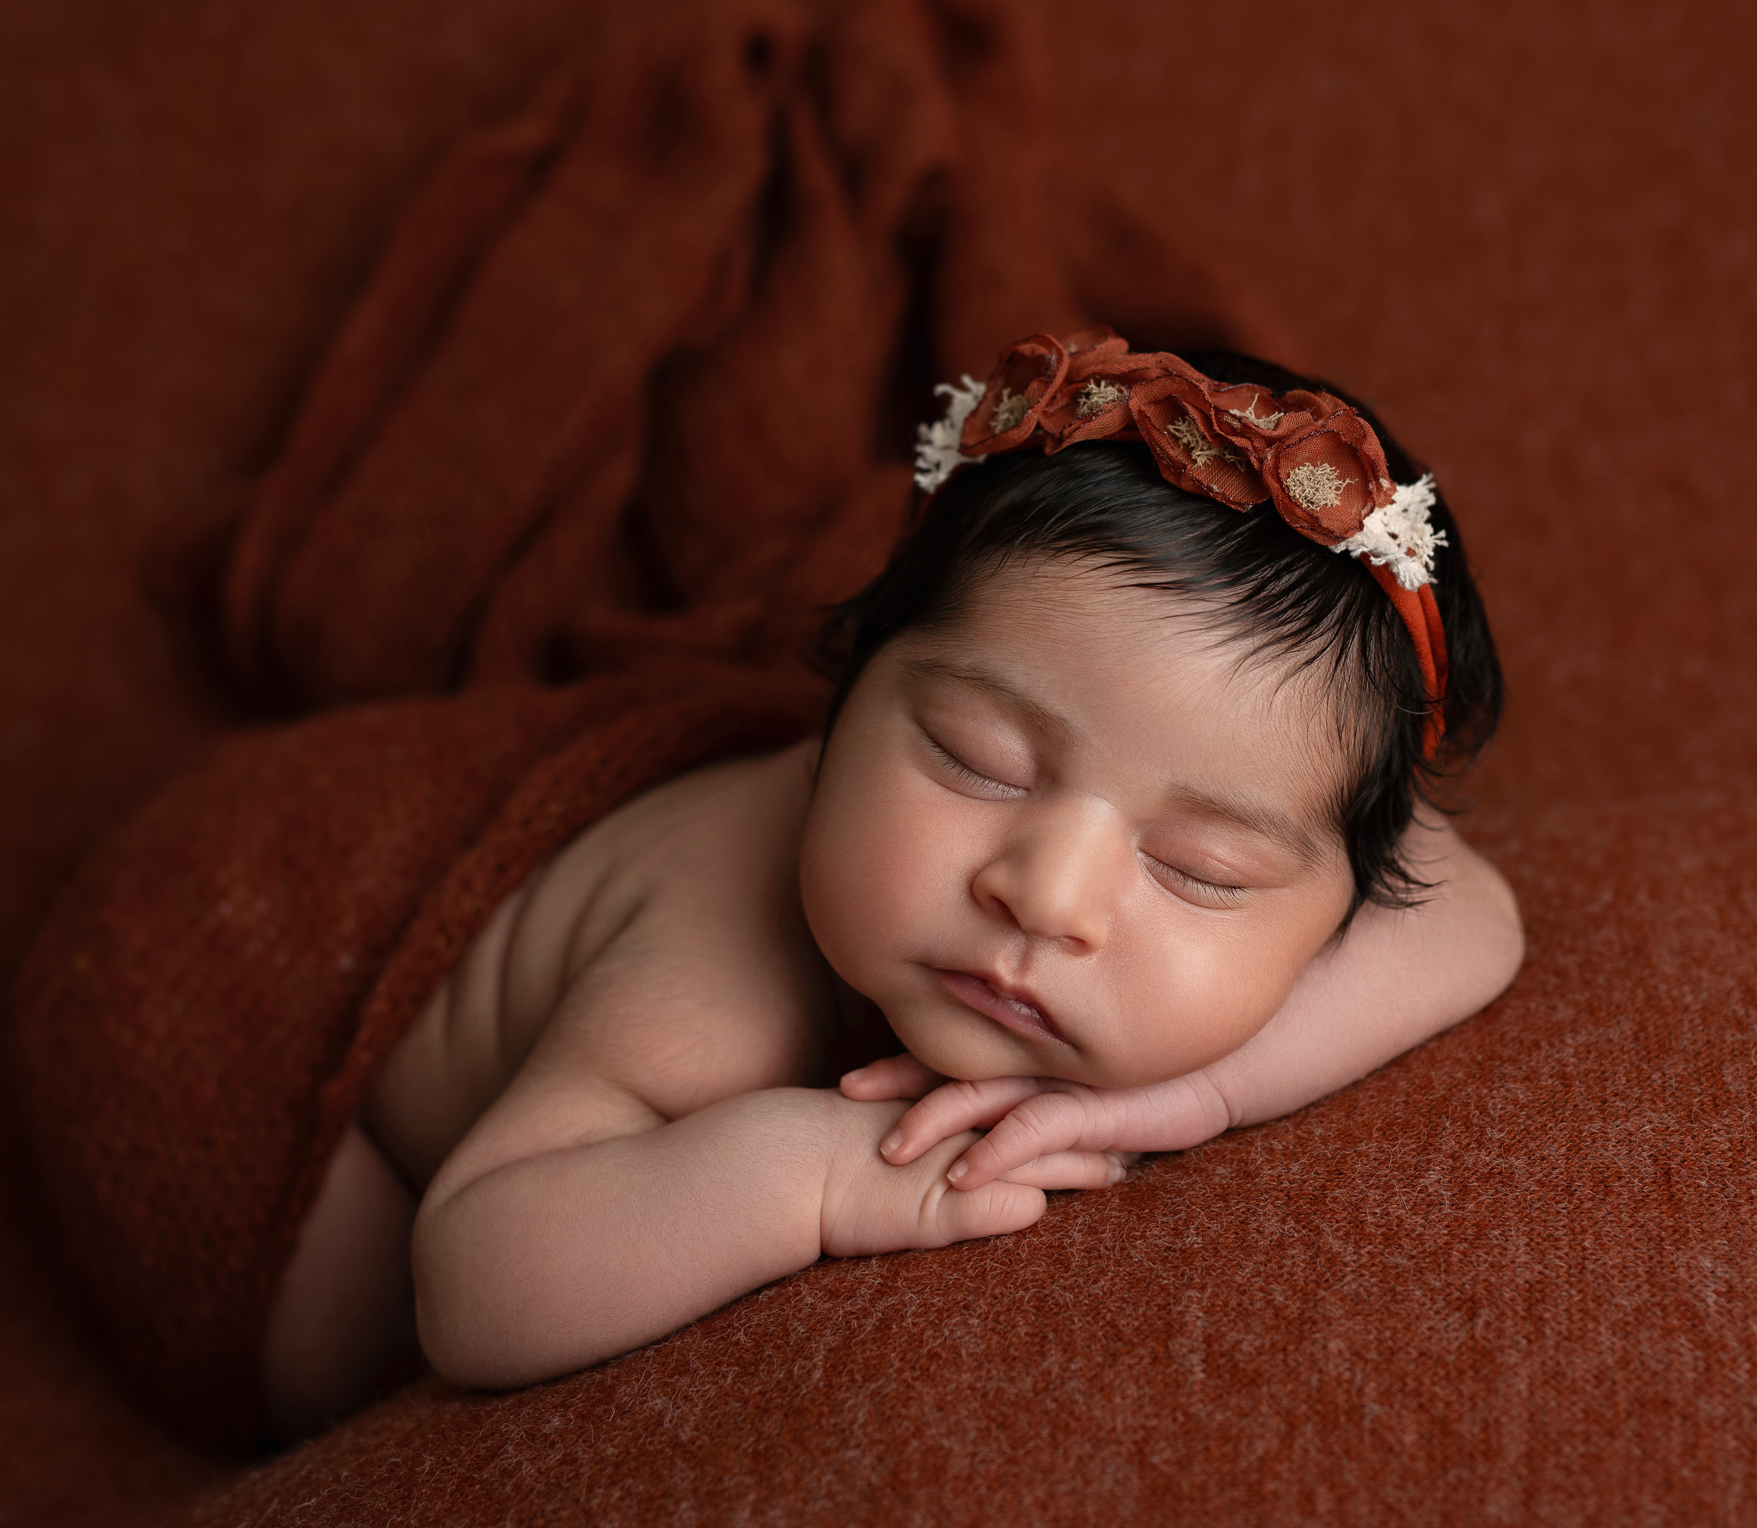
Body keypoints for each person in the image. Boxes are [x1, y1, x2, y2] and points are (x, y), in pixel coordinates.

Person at [260, 329, 1522, 1437]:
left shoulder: (1332, 844)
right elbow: (475, 1280)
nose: (1046, 895)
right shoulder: (719, 960)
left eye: (1197, 869)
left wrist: (1197, 1091)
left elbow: (1474, 916)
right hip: (348, 1060)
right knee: (322, 1361)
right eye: (976, 763)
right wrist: (811, 1176)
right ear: (847, 692)